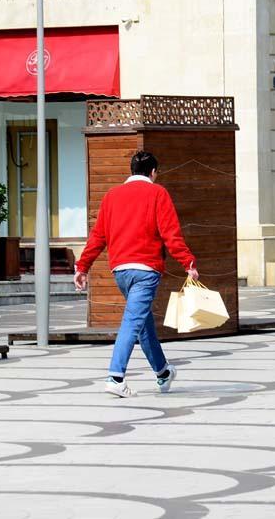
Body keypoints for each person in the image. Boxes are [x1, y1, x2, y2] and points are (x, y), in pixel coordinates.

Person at [74, 151, 199, 397]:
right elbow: (170, 234)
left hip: (120, 270)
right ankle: (115, 376)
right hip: (146, 269)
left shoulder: (111, 196)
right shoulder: (157, 193)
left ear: (131, 171)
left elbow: (98, 236)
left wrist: (82, 266)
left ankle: (163, 372)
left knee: (142, 324)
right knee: (133, 322)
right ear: (153, 172)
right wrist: (189, 263)